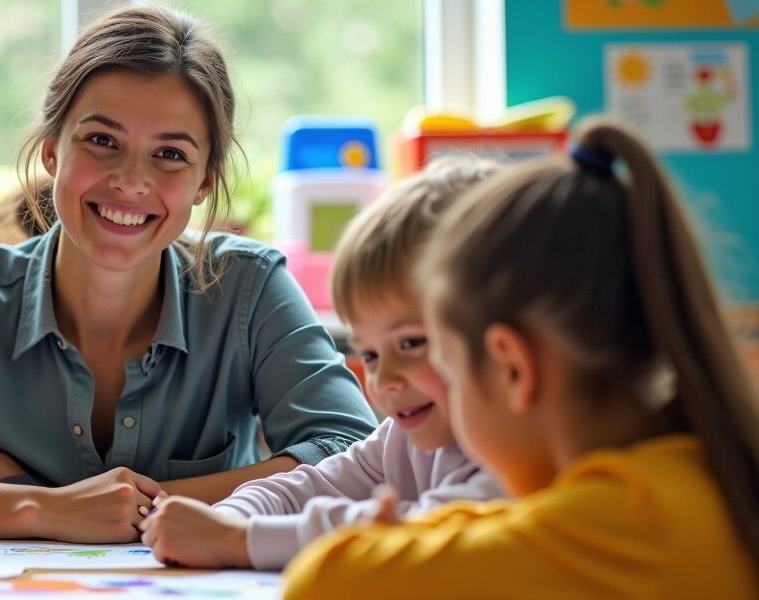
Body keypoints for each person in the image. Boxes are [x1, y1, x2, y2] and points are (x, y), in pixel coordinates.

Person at [0, 5, 376, 543]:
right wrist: (43, 508)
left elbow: (354, 455)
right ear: (53, 150)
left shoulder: (250, 289)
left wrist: (129, 505)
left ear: (205, 180)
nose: (131, 181)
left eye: (171, 154)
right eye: (102, 141)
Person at [285, 118, 759, 600]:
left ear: (513, 368)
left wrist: (389, 543)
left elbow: (323, 580)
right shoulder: (686, 474)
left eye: (450, 367)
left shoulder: (614, 519)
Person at [140, 157, 505, 570]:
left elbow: (421, 538)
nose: (383, 381)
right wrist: (227, 517)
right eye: (370, 354)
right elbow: (310, 485)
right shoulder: (403, 438)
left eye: (411, 343)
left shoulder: (522, 457)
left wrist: (239, 540)